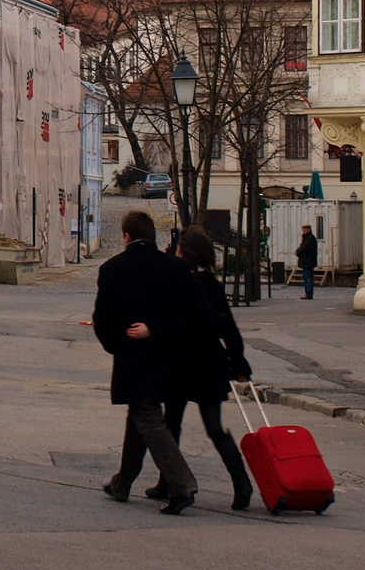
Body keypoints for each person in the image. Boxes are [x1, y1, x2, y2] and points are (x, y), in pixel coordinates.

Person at [93, 210, 215, 515]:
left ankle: (181, 484)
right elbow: (199, 317)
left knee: (146, 418)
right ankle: (122, 483)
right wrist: (160, 330)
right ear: (153, 237)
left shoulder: (112, 269)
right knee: (140, 416)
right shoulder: (176, 268)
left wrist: (119, 345)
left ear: (126, 237)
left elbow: (102, 321)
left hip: (132, 360)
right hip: (169, 359)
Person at [144, 229, 254, 510]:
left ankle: (168, 481)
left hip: (182, 361)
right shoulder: (212, 284)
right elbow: (228, 326)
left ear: (185, 253)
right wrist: (238, 361)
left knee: (171, 424)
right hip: (209, 363)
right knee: (215, 428)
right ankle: (241, 482)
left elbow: (170, 321)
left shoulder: (182, 282)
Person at [296, 224, 319, 299]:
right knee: (307, 277)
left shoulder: (309, 238)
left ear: (308, 229)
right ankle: (308, 293)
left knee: (308, 277)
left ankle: (308, 294)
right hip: (307, 261)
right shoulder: (308, 238)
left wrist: (298, 252)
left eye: (304, 229)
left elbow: (304, 248)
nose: (303, 231)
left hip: (308, 261)